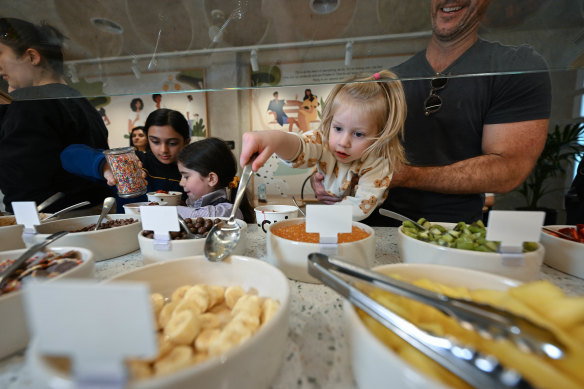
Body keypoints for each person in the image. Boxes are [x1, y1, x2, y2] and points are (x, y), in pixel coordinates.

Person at [312, 0, 551, 225]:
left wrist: (407, 175)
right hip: (371, 227)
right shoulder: (388, 82)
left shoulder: (515, 67)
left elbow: (508, 170)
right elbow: (356, 149)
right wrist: (329, 170)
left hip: (448, 234)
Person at [241, 70, 407, 221]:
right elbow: (302, 148)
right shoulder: (324, 140)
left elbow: (360, 206)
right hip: (336, 215)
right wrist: (277, 139)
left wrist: (318, 217)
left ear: (381, 134)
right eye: (338, 128)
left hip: (370, 220)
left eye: (358, 134)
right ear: (329, 122)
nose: (343, 142)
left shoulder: (379, 159)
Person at [0, 17, 113, 214]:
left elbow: (20, 181)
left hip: (50, 220)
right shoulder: (81, 101)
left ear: (32, 57)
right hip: (95, 213)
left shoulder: (31, 101)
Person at [61, 108, 191, 212]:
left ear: (186, 142)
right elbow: (69, 156)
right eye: (155, 141)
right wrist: (105, 166)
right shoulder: (132, 164)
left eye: (172, 143)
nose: (163, 150)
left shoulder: (193, 172)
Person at [176, 137, 255, 223]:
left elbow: (198, 215)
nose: (181, 183)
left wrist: (168, 210)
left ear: (211, 179)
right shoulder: (191, 204)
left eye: (186, 177)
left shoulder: (227, 211)